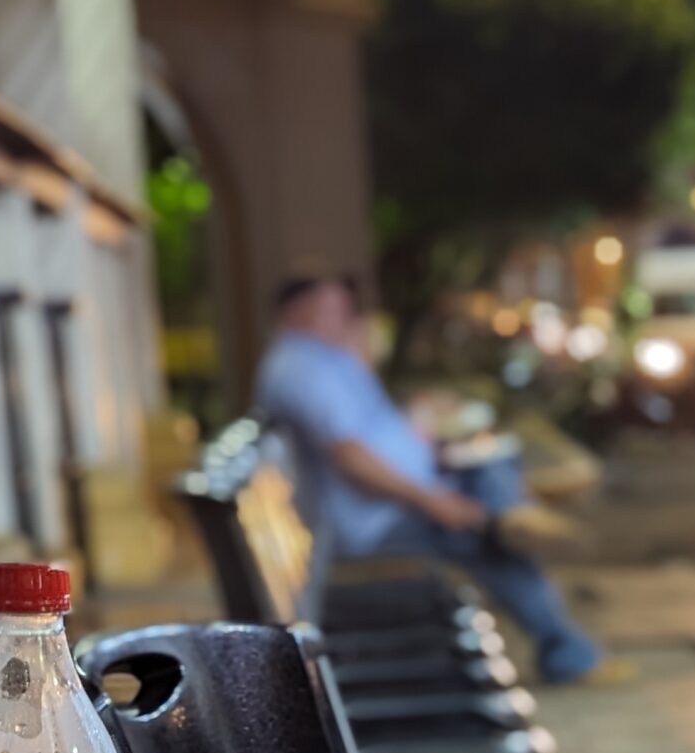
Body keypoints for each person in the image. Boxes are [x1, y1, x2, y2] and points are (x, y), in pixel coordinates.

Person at [255, 274, 605, 683]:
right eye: (333, 310)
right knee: (489, 539)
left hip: (400, 501)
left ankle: (511, 514)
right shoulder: (301, 369)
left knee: (493, 462)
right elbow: (350, 458)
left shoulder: (322, 359)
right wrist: (432, 501)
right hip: (376, 524)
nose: (347, 319)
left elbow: (368, 434)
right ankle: (563, 644)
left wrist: (425, 447)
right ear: (296, 312)